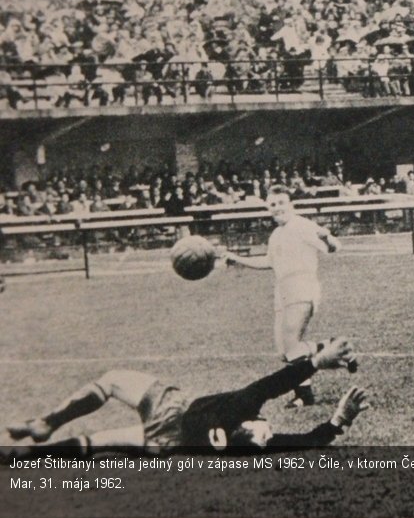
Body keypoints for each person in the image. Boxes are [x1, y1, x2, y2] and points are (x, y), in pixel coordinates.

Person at [4, 337, 367, 458]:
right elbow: (306, 440)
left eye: (259, 434)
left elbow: (269, 385)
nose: (266, 432)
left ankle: (41, 433)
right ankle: (35, 442)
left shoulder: (239, 411)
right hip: (172, 433)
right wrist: (339, 421)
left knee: (106, 406)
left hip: (171, 420)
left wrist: (317, 361)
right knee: (98, 439)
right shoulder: (250, 440)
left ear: (245, 429)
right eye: (265, 433)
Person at [222, 188, 341, 406]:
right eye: (272, 204)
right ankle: (330, 347)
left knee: (291, 342)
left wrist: (328, 237)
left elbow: (334, 248)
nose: (277, 208)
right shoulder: (276, 234)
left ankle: (305, 396)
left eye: (281, 203)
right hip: (282, 290)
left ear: (291, 204)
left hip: (302, 285)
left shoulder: (302, 225)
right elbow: (268, 263)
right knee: (284, 351)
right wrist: (236, 258)